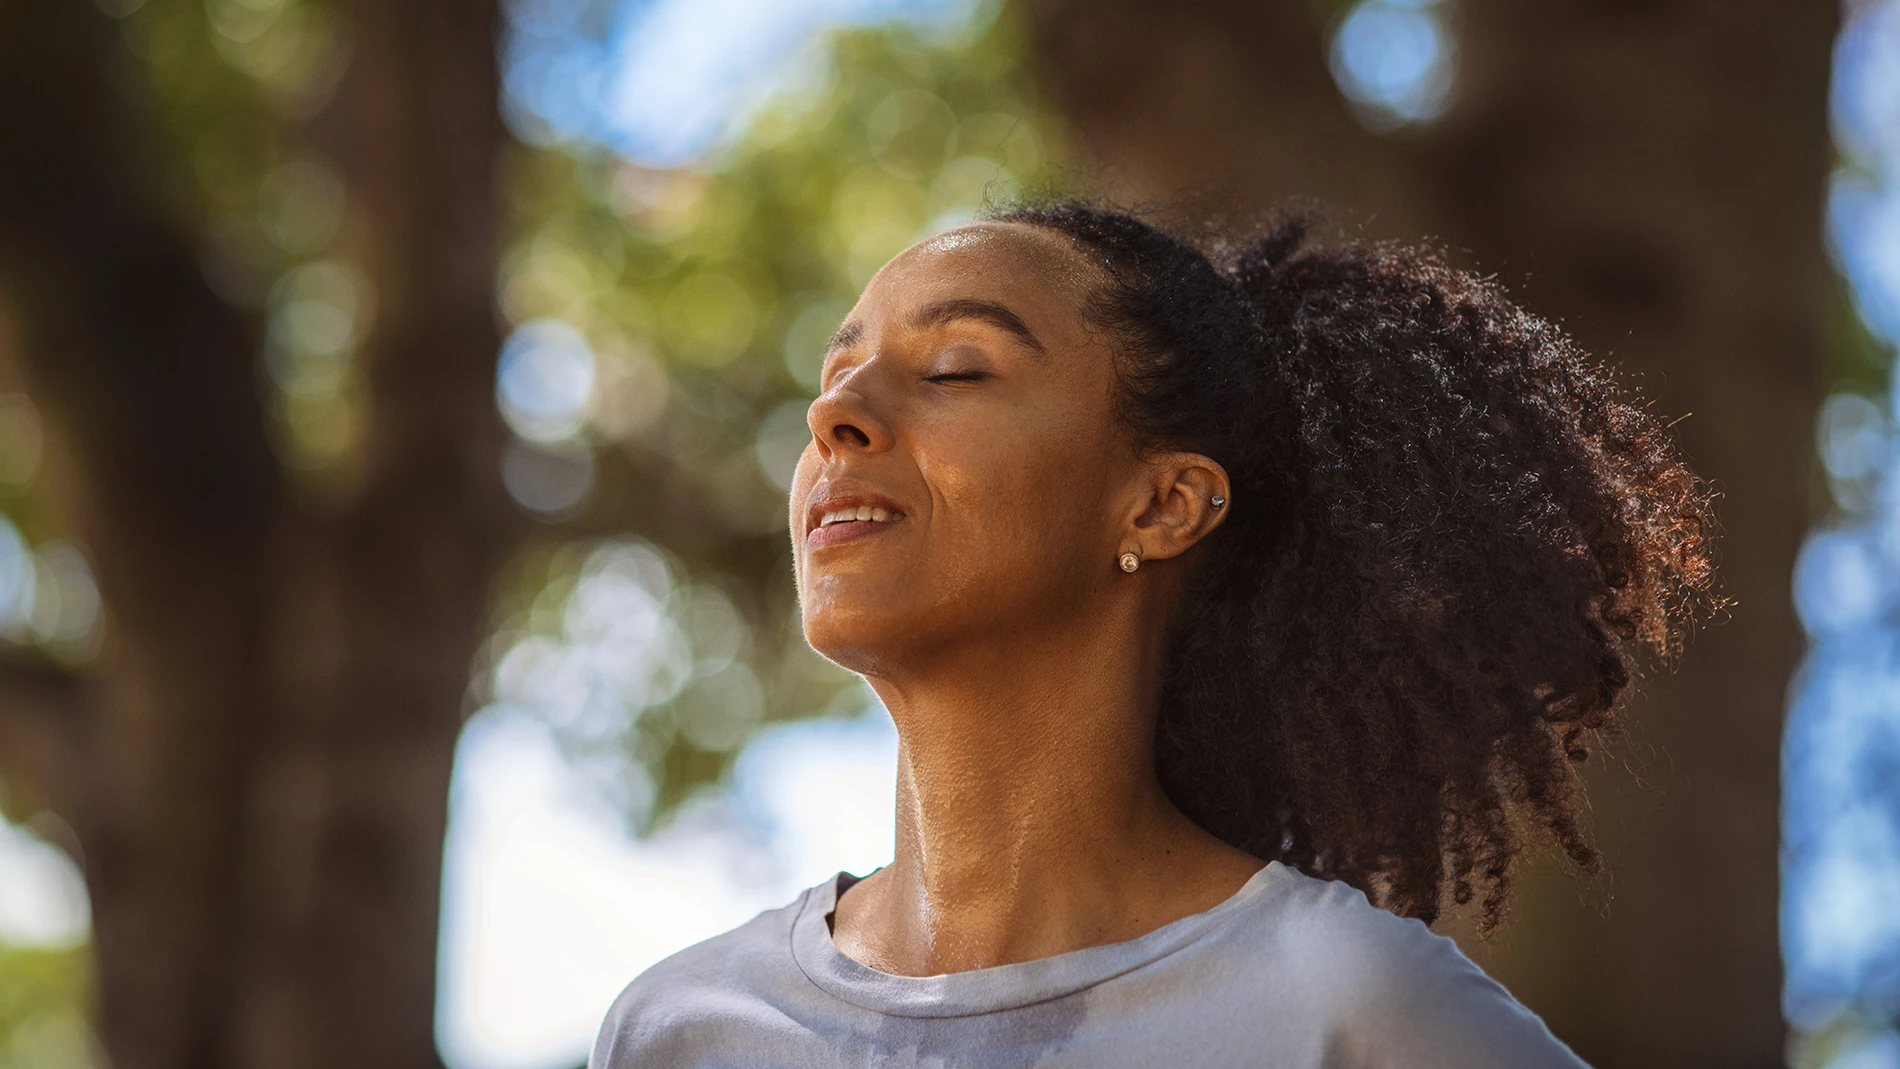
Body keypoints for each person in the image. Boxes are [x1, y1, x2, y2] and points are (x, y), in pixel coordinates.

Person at [589, 201, 1717, 1067]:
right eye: (838, 373)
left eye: (953, 369)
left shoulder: (1346, 1008)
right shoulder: (684, 1028)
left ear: (1162, 504)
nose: (832, 415)